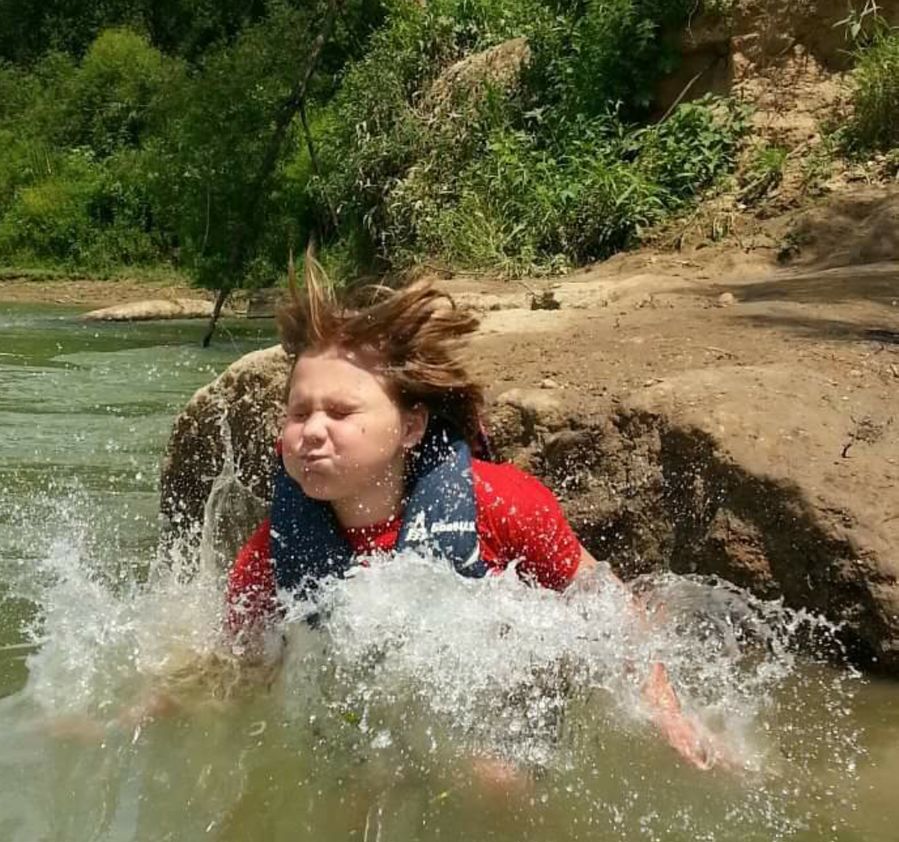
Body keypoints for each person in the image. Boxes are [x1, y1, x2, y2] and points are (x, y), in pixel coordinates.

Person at [227, 256, 722, 769]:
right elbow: (240, 662)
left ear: (412, 427)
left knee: (494, 776)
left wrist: (666, 710)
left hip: (511, 687)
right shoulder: (276, 546)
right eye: (299, 413)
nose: (310, 431)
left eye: (341, 412)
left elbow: (600, 597)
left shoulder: (500, 502)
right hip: (391, 710)